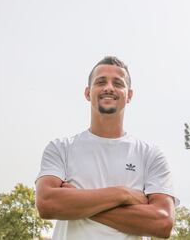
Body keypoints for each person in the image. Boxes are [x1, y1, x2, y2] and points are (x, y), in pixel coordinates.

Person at [35, 56, 178, 239]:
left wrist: (77, 204)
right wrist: (122, 194)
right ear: (88, 93)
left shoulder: (150, 155)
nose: (109, 87)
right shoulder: (61, 148)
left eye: (118, 83)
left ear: (129, 95)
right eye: (101, 81)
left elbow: (162, 223)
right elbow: (47, 204)